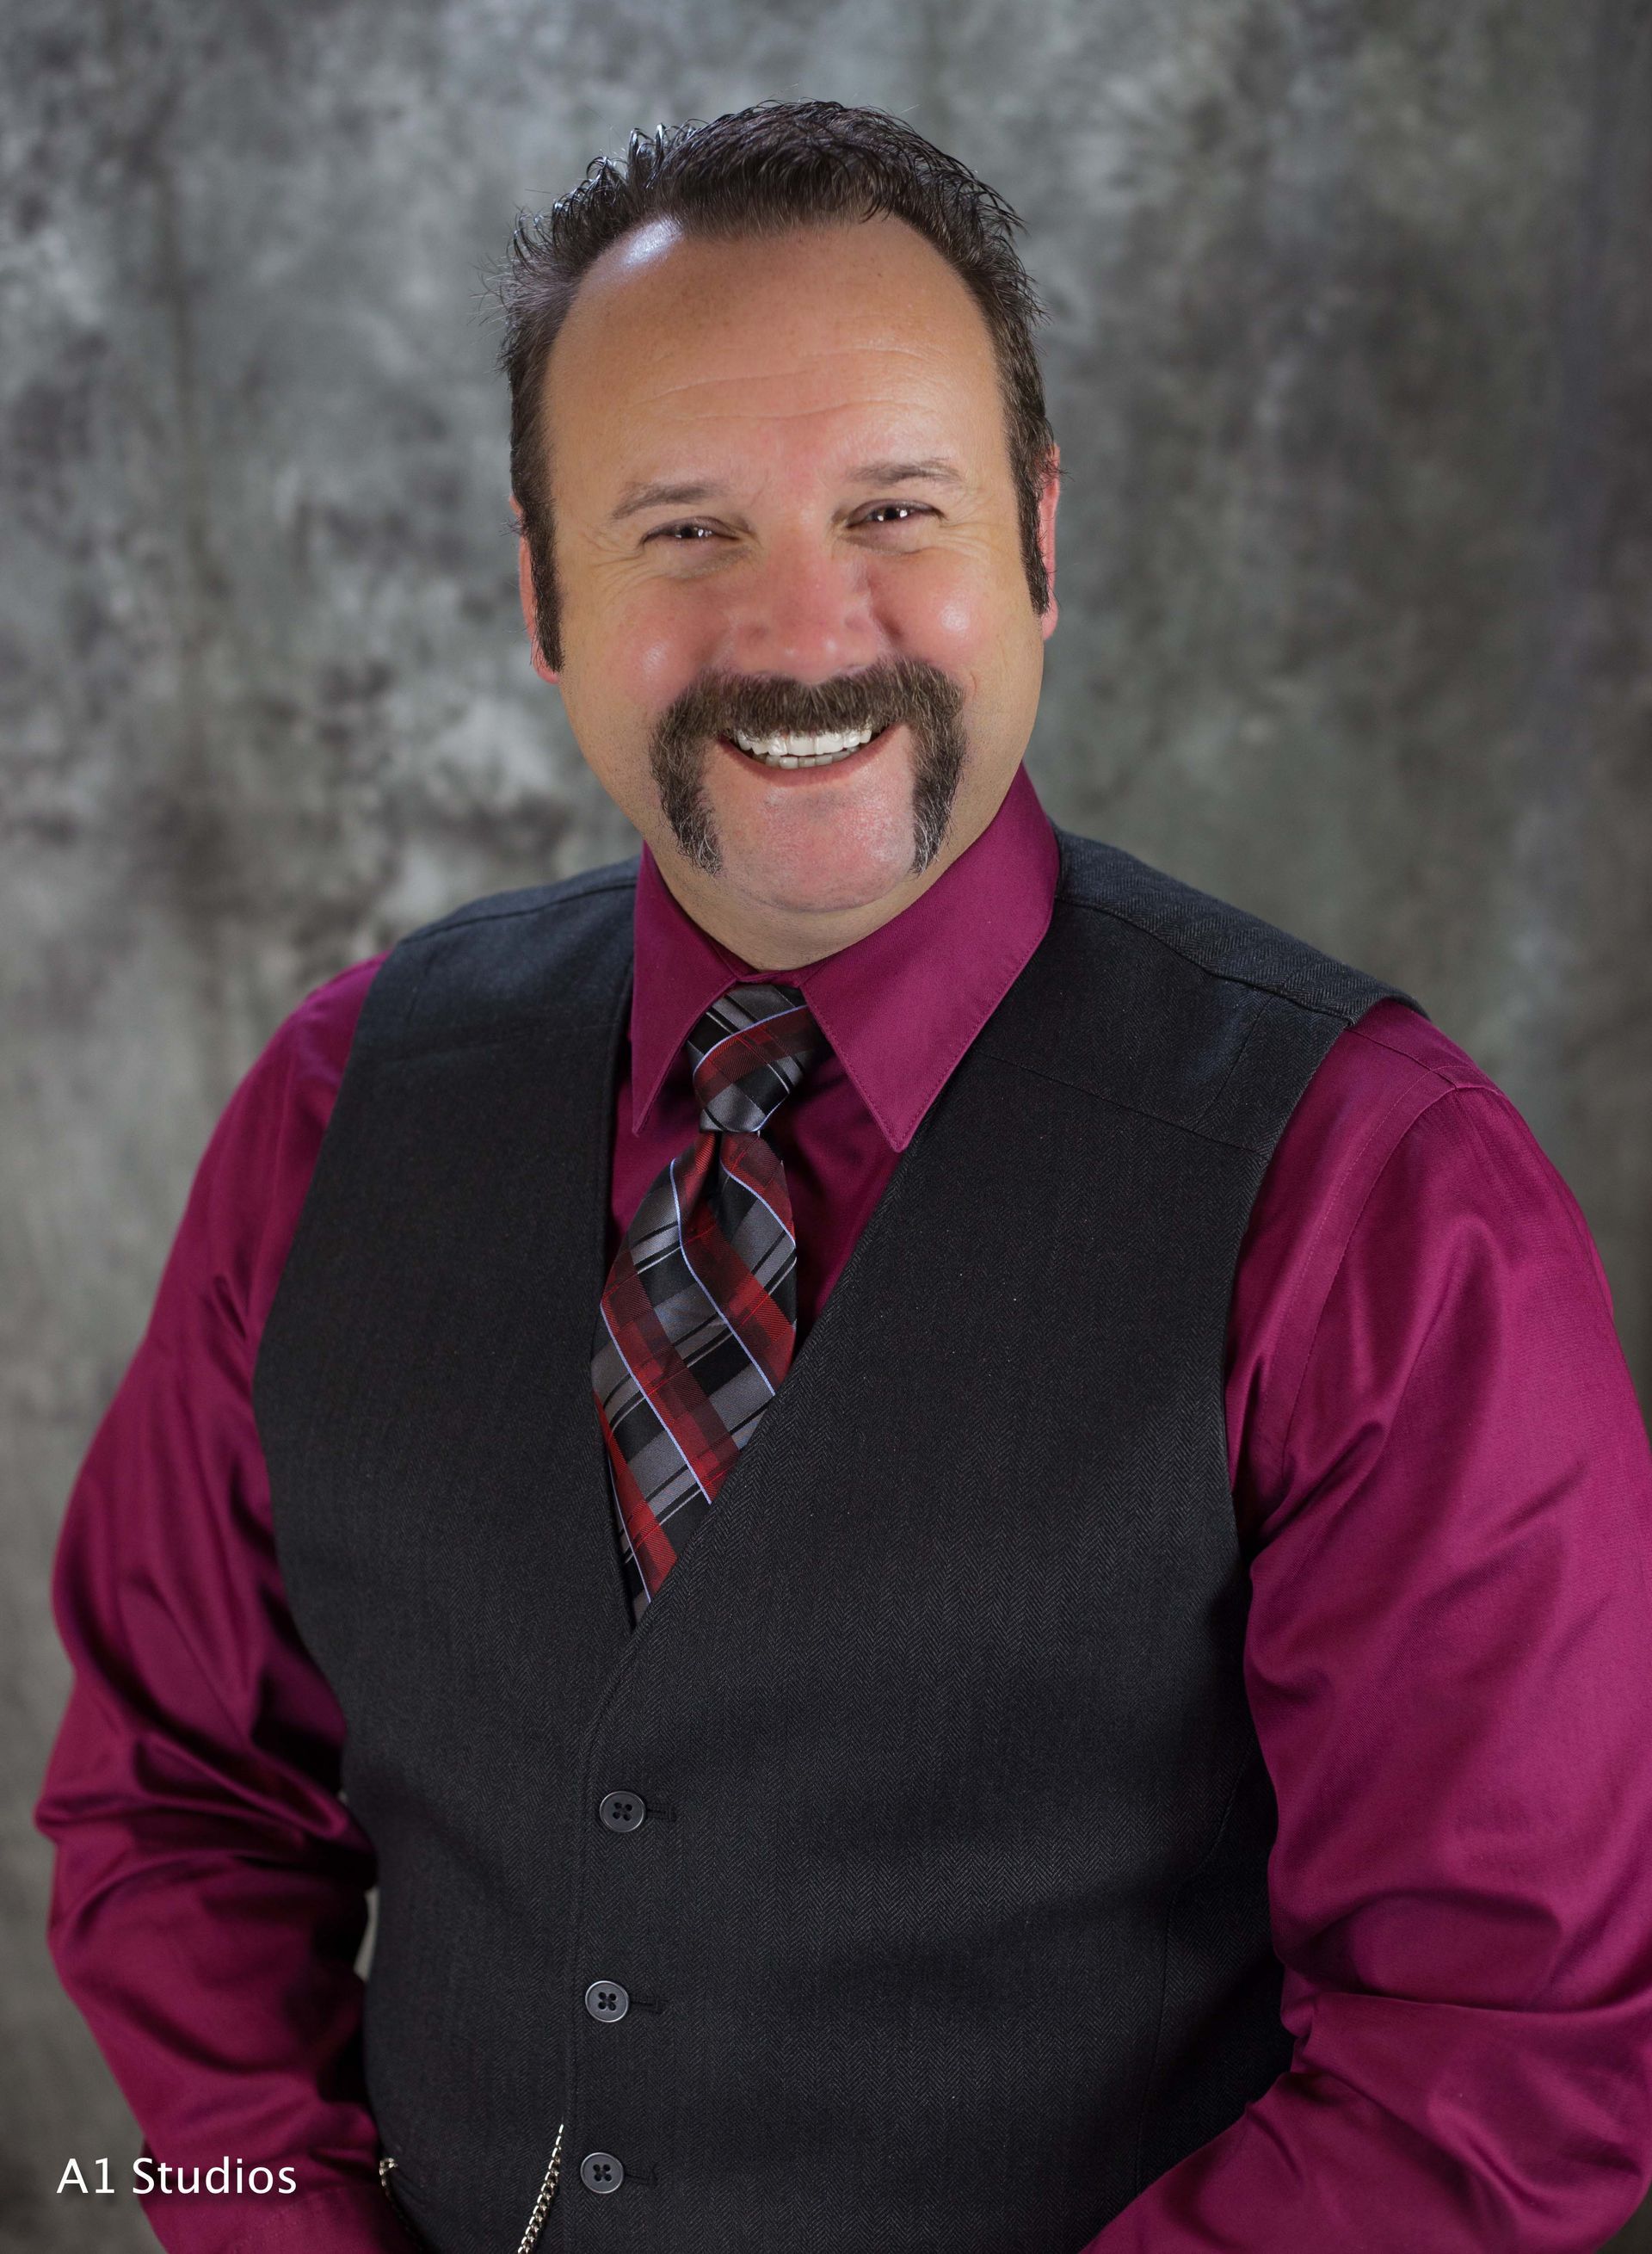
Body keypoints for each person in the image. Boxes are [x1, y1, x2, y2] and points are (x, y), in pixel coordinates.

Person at [36, 99, 1652, 2254]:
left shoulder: (1379, 1199)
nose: (808, 636)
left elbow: (1505, 2053)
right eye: (683, 528)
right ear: (540, 593)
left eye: (894, 503)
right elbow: (169, 1811)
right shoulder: (332, 1112)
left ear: (1043, 542)